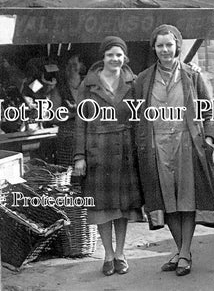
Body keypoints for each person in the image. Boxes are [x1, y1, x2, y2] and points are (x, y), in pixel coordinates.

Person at [134, 24, 214, 277]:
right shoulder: (143, 79)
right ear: (154, 48)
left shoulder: (193, 75)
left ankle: (184, 252)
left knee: (186, 201)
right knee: (168, 202)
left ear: (177, 46)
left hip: (187, 144)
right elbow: (135, 115)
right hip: (158, 147)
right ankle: (182, 250)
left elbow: (209, 110)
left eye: (169, 44)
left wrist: (207, 139)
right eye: (160, 45)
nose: (165, 49)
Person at [73, 36, 143, 276]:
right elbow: (80, 122)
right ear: (103, 57)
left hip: (124, 151)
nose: (115, 59)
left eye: (119, 55)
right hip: (97, 151)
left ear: (125, 58)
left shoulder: (134, 82)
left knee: (122, 208)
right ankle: (108, 254)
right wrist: (79, 156)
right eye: (110, 54)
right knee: (103, 209)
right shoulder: (88, 84)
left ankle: (121, 254)